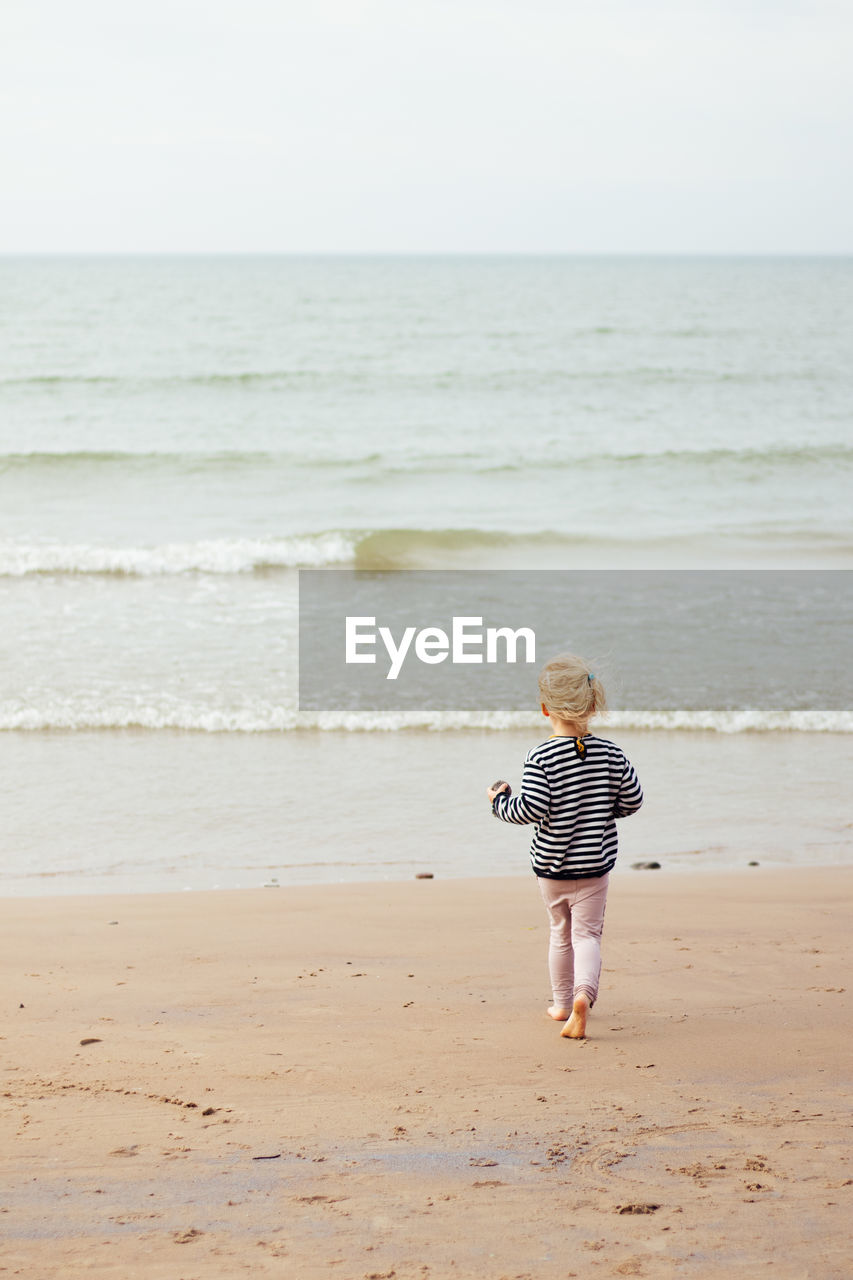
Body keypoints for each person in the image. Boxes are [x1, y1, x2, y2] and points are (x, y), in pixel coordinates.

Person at [487, 654, 643, 1039]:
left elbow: (530, 808)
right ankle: (583, 997)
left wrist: (498, 801)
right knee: (587, 935)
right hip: (594, 866)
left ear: (544, 709)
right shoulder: (611, 753)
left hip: (552, 868)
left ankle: (561, 1004)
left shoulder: (539, 756)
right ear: (592, 705)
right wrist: (603, 807)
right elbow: (633, 800)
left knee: (560, 932)